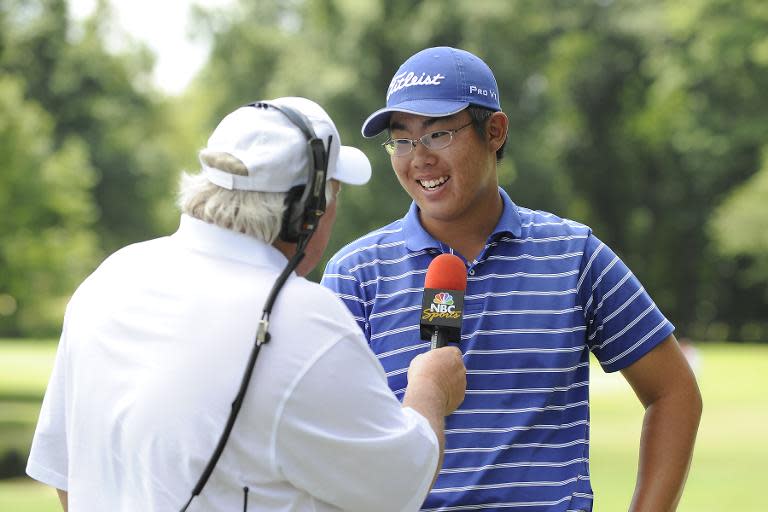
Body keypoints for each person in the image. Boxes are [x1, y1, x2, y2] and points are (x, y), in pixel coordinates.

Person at [26, 97, 466, 512]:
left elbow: (66, 476)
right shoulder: (304, 319)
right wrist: (429, 387)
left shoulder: (110, 277)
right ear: (308, 209)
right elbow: (400, 484)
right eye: (334, 192)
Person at [321, 47, 702, 511]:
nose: (417, 158)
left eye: (437, 134)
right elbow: (327, 435)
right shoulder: (355, 273)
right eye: (402, 140)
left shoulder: (573, 254)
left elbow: (673, 392)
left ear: (495, 131)